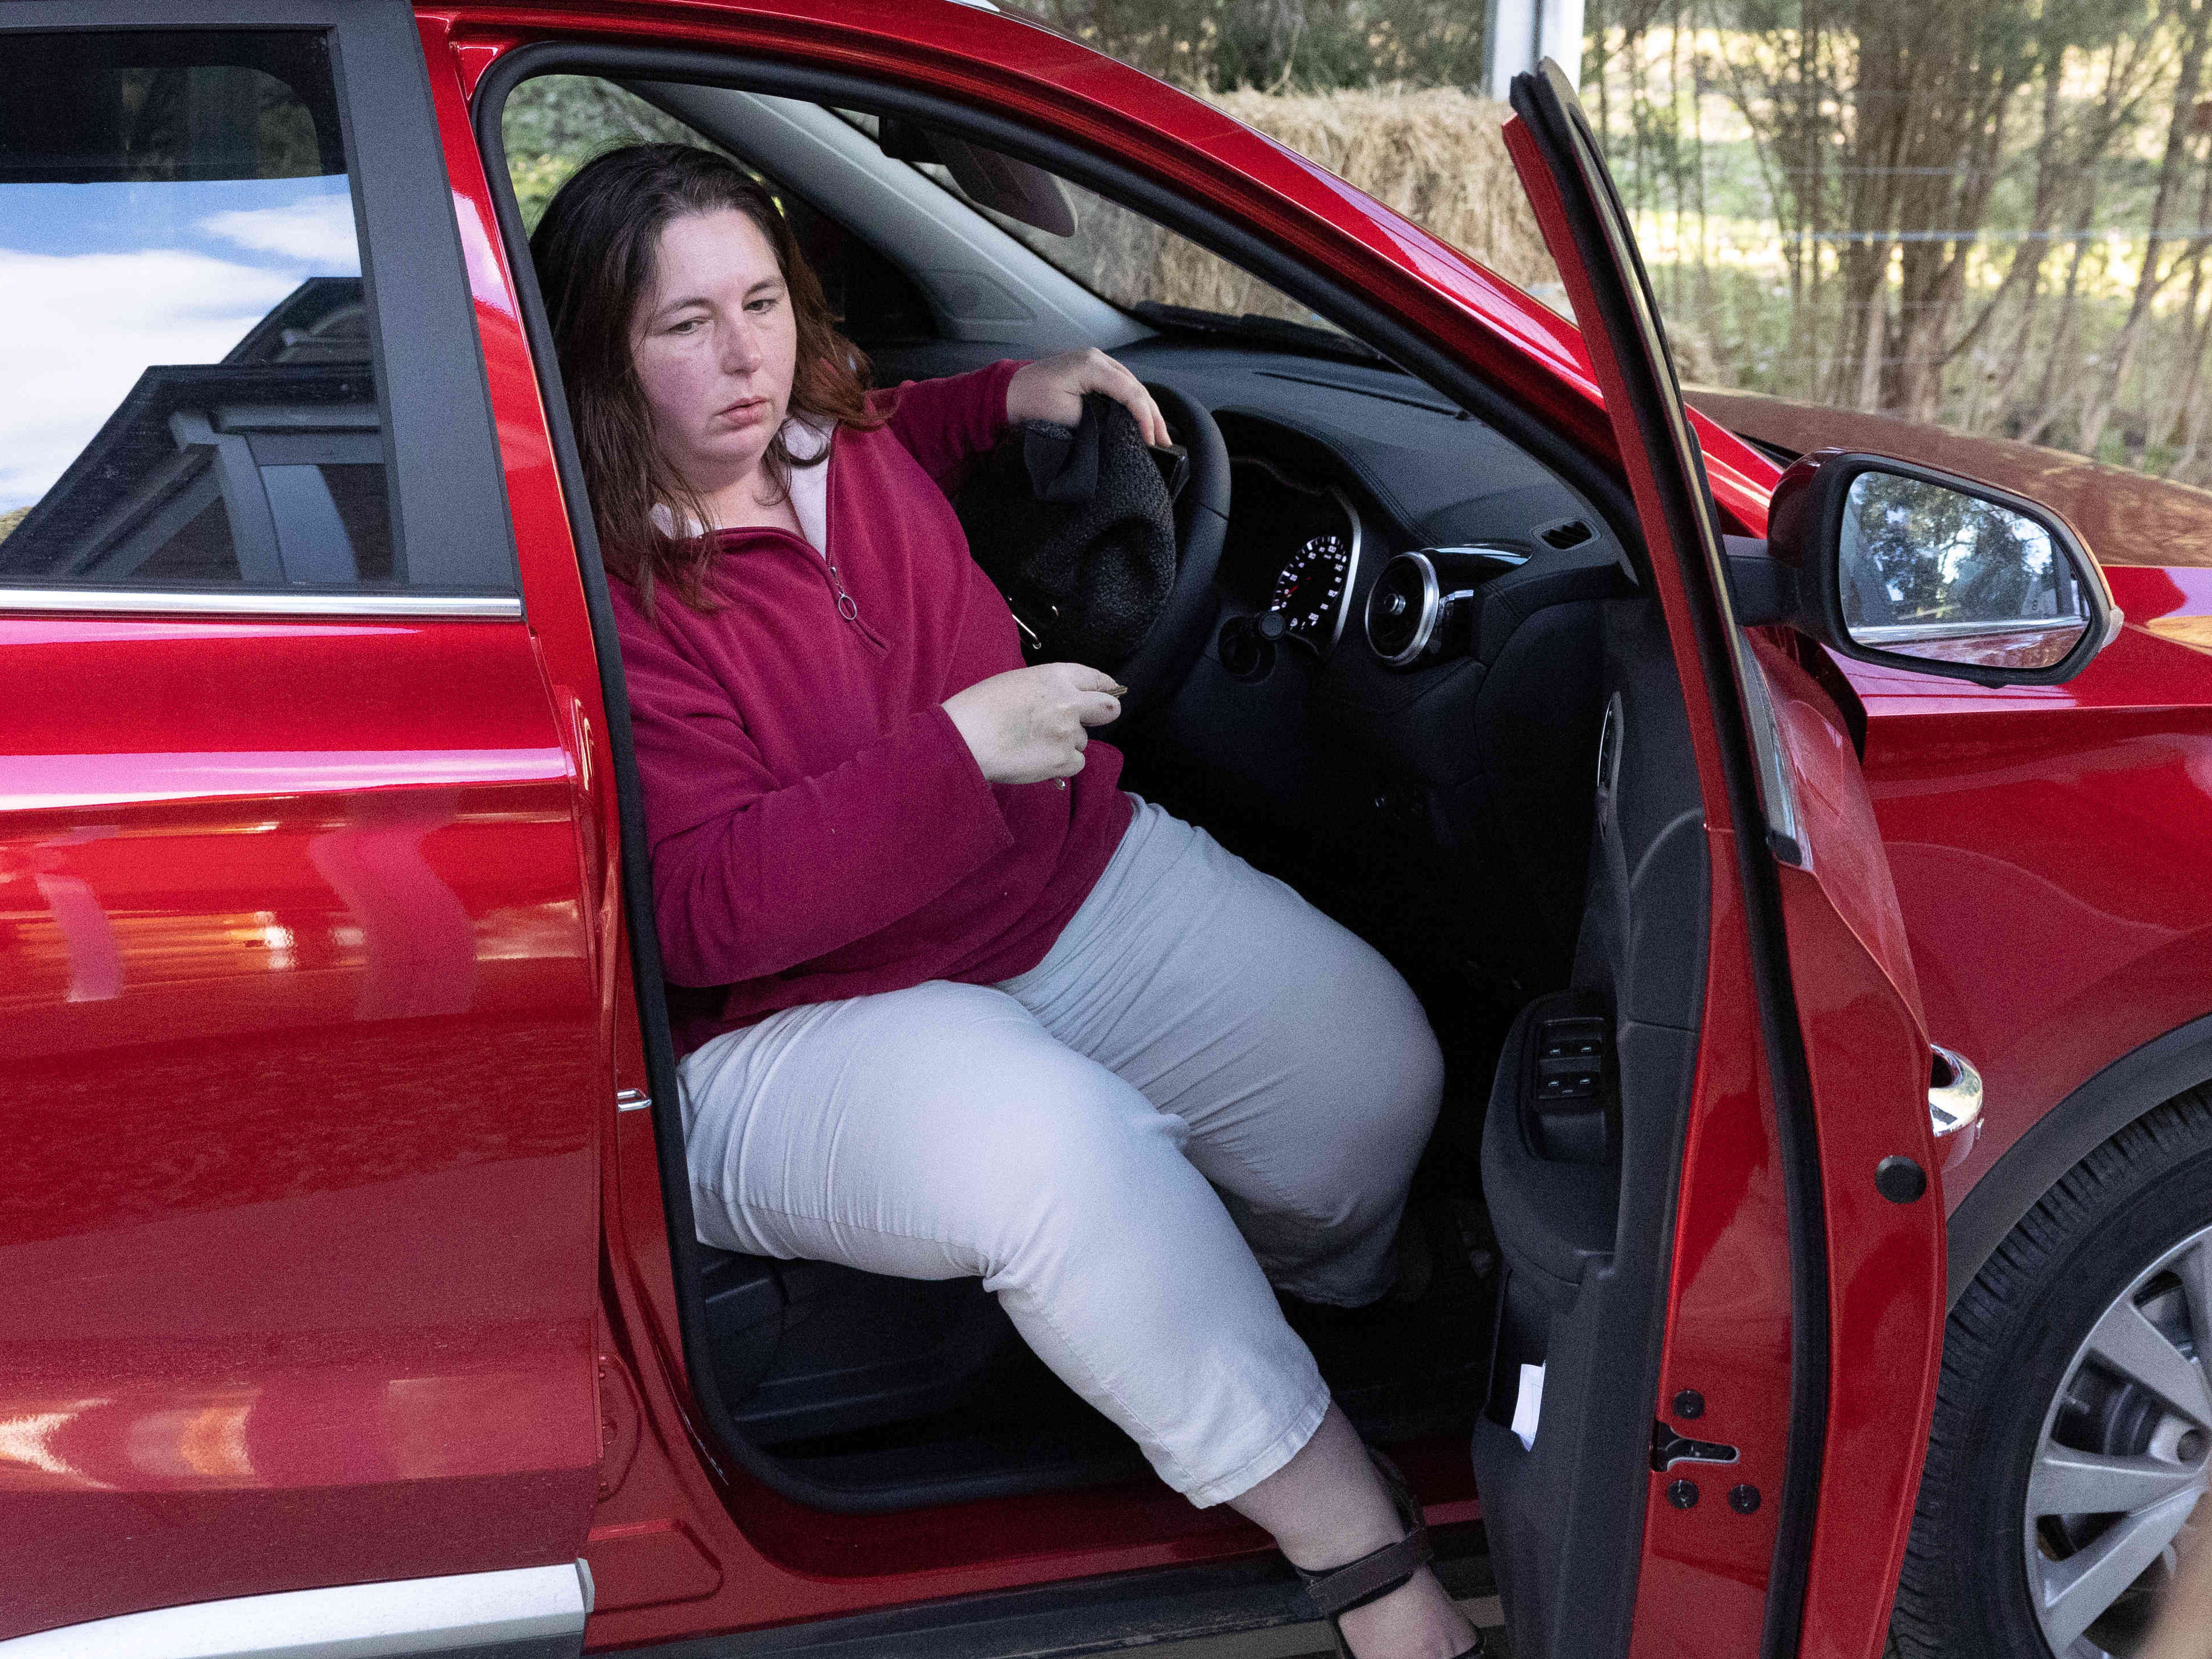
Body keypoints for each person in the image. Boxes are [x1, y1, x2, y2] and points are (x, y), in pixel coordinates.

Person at [531, 142, 1479, 1659]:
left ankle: (1255, 1319)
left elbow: (887, 417)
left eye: (762, 302)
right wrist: (958, 754)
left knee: (1377, 1080)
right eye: (682, 326)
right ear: (601, 354)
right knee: (1069, 1160)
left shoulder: (824, 423)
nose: (743, 359)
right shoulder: (612, 583)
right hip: (798, 1020)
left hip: (1050, 883)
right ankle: (1358, 1548)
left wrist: (1017, 395)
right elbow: (701, 909)